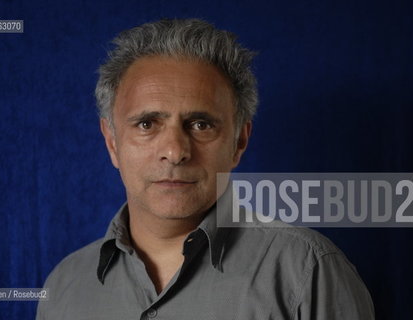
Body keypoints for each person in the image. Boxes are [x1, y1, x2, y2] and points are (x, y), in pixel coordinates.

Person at [36, 18, 375, 319]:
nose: (174, 151)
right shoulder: (64, 287)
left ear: (239, 142)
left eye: (200, 124)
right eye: (147, 124)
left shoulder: (307, 271)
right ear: (112, 142)